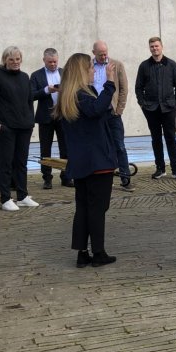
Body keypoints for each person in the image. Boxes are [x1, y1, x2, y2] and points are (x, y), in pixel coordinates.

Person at [53, 53, 118, 268]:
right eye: (90, 68)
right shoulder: (82, 96)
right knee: (97, 208)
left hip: (80, 162)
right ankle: (98, 252)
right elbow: (98, 109)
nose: (93, 71)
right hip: (97, 161)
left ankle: (82, 252)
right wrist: (110, 83)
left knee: (83, 208)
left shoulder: (69, 97)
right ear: (82, 71)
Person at [0, 46, 39, 212]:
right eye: (11, 59)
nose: (15, 62)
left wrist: (30, 121)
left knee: (21, 163)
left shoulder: (24, 77)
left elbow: (29, 101)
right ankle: (5, 198)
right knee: (6, 163)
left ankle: (22, 196)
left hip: (24, 127)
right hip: (6, 128)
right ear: (5, 60)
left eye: (17, 59)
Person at [135, 36, 176, 180]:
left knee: (171, 138)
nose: (154, 48)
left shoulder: (171, 65)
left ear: (162, 47)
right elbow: (139, 87)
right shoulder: (144, 66)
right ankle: (160, 168)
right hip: (151, 109)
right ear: (149, 48)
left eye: (156, 46)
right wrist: (142, 103)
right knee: (156, 139)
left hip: (169, 108)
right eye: (152, 46)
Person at [92, 40, 133, 191]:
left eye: (105, 54)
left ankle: (125, 178)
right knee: (99, 146)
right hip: (95, 113)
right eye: (100, 54)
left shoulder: (117, 65)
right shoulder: (88, 66)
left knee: (119, 146)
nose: (104, 57)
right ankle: (104, 179)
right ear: (94, 53)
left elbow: (124, 88)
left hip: (112, 112)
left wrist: (119, 110)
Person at [30, 48, 71, 189]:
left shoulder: (64, 73)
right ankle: (47, 178)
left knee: (65, 148)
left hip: (62, 115)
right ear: (44, 60)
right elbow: (31, 95)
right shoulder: (36, 75)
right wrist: (47, 90)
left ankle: (66, 176)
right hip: (45, 117)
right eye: (50, 62)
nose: (53, 64)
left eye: (55, 61)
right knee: (45, 149)